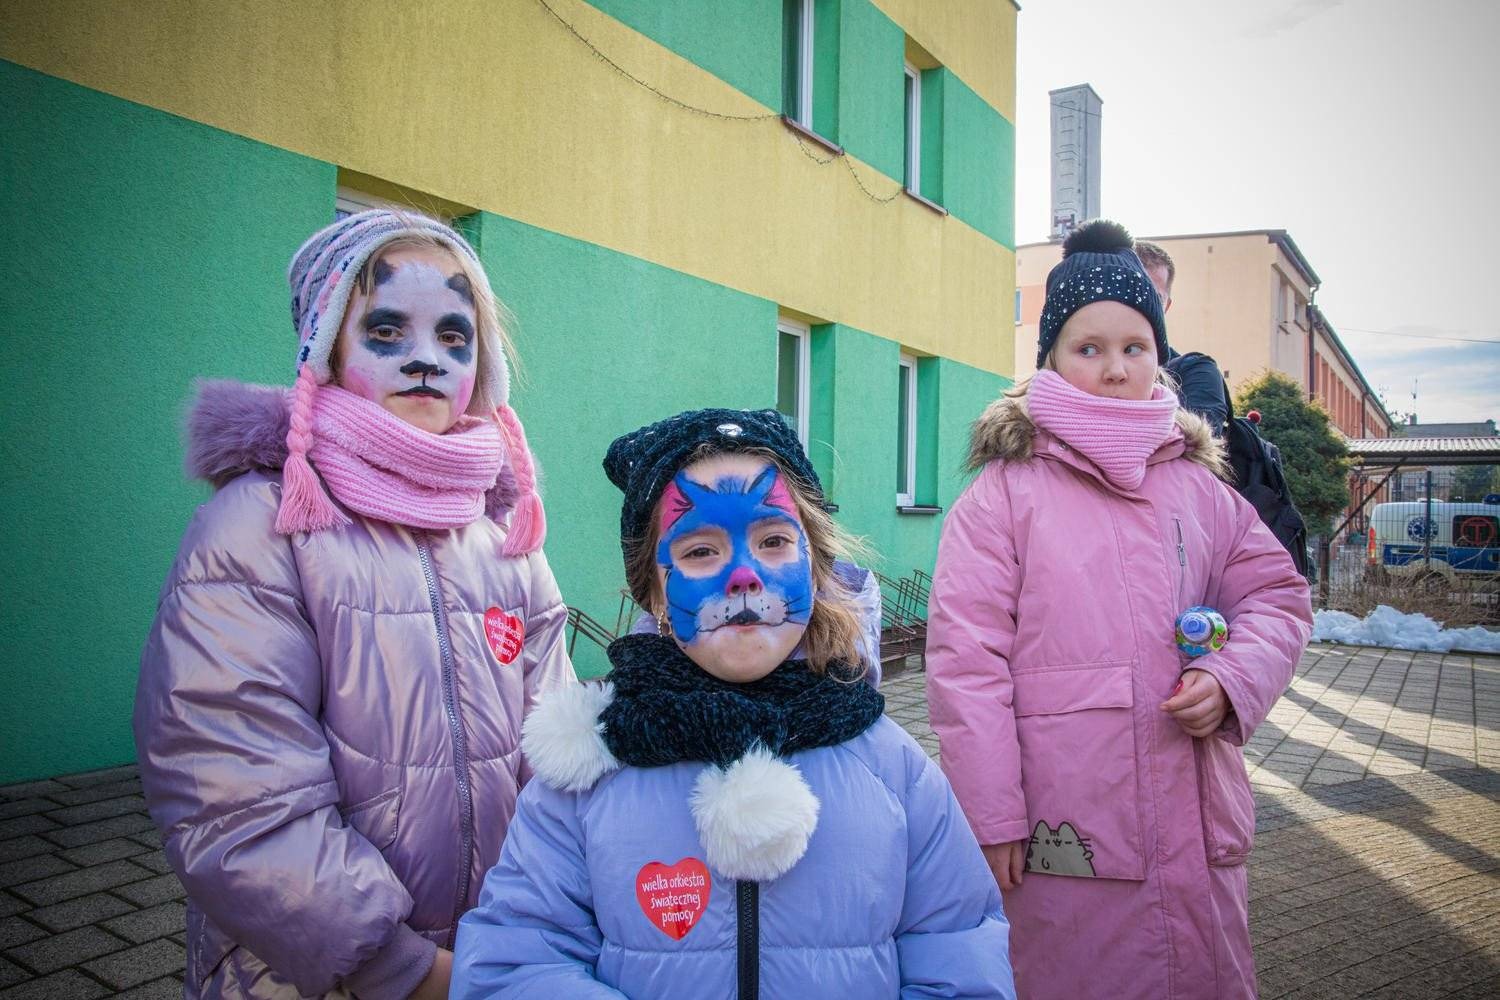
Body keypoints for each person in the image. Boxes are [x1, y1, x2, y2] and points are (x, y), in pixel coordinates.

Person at [134, 209, 575, 999]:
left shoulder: (505, 538)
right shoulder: (262, 526)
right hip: (315, 974)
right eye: (386, 331)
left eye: (454, 336)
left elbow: (556, 754)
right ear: (328, 351)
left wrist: (544, 925)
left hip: (499, 953)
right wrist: (402, 969)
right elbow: (235, 792)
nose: (425, 358)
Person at [452, 408, 1015, 998]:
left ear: (814, 567)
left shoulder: (892, 769)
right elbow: (518, 958)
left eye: (773, 541)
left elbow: (960, 952)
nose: (744, 576)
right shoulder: (586, 776)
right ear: (654, 594)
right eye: (699, 551)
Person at [926, 220, 1312, 998]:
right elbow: (967, 666)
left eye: (1135, 347)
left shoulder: (1200, 489)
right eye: (1088, 347)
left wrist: (1233, 678)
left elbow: (1277, 595)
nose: (1113, 368)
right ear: (1051, 359)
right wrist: (992, 816)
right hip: (1065, 834)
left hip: (1196, 829)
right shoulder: (1003, 498)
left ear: (1159, 357)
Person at [1135, 239, 1231, 435]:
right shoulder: (1076, 364)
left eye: (1152, 297)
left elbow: (1195, 446)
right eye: (1127, 292)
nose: (1139, 304)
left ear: (1166, 306)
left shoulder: (1195, 372)